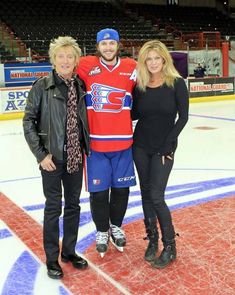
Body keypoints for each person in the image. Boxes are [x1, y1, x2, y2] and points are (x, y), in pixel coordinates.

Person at [23, 36, 90, 279]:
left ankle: (69, 252)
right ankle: (52, 258)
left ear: (75, 60)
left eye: (69, 56)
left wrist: (85, 148)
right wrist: (40, 155)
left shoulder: (80, 84)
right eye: (60, 56)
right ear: (53, 59)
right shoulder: (42, 86)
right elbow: (28, 120)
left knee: (73, 206)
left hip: (75, 157)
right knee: (53, 208)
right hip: (51, 159)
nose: (65, 60)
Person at [77, 28, 137, 257]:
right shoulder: (86, 65)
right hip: (96, 146)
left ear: (118, 45)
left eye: (112, 43)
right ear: (98, 46)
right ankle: (102, 230)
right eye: (104, 44)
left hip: (124, 144)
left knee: (122, 190)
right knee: (99, 193)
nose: (108, 47)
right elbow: (64, 63)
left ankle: (116, 226)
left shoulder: (132, 67)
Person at [131, 40, 189, 268]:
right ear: (144, 62)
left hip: (163, 148)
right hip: (140, 146)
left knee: (157, 196)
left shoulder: (176, 83)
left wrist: (168, 145)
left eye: (157, 58)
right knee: (145, 194)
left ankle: (170, 246)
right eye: (149, 59)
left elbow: (183, 118)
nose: (153, 62)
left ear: (164, 59)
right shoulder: (140, 85)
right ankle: (152, 241)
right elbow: (133, 114)